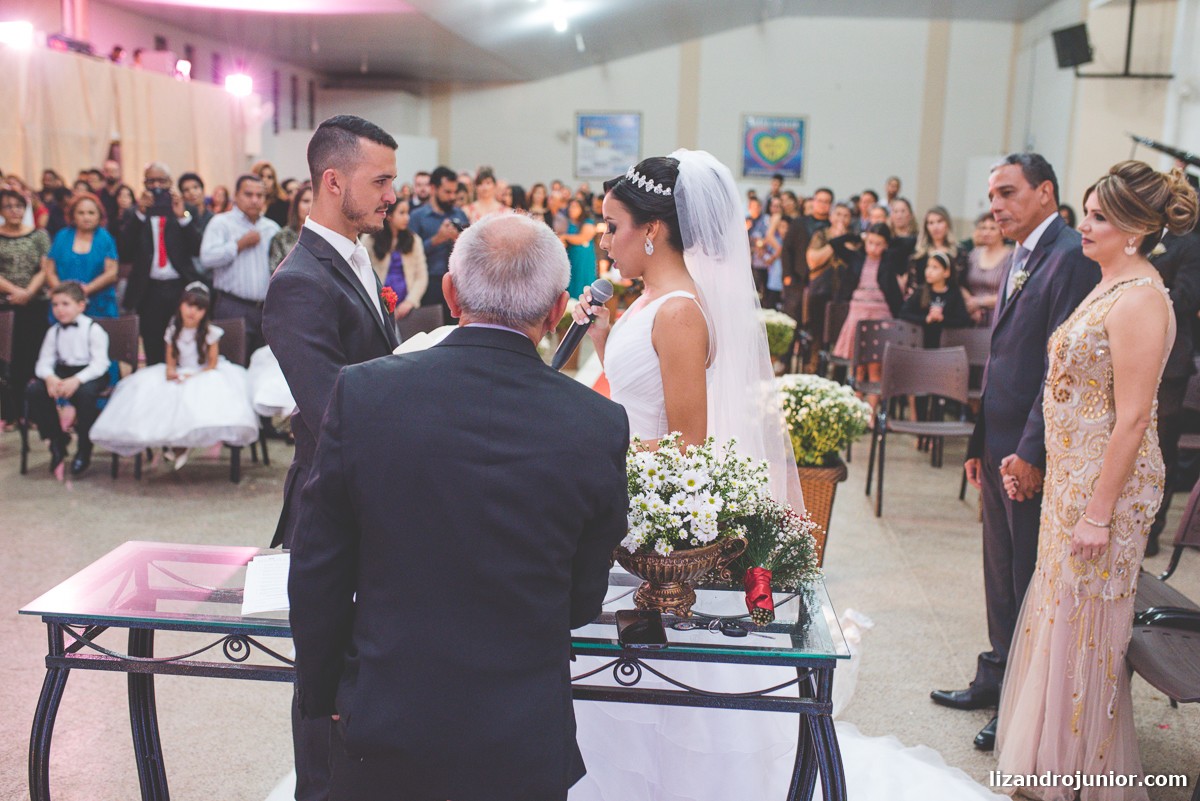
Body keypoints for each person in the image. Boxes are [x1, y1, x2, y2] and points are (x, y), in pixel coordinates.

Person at [289, 212, 627, 801]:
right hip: (521, 731)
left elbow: (318, 567)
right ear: (554, 313)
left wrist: (325, 698)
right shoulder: (596, 422)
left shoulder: (365, 392)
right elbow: (580, 599)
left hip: (386, 713)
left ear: (449, 294)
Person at [996, 161, 1198, 800]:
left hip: (1106, 490)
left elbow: (1135, 417)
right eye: (1086, 212)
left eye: (1100, 216)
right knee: (1060, 613)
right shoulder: (1110, 283)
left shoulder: (1141, 297)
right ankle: (1047, 761)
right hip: (1071, 481)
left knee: (1086, 624)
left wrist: (1098, 513)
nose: (1084, 225)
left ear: (1137, 229)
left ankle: (1078, 769)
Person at [933, 153, 1101, 752]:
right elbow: (1002, 357)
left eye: (1007, 193)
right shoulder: (1019, 255)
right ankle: (997, 674)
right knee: (999, 570)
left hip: (1033, 449)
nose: (995, 205)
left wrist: (1030, 452)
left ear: (1045, 192)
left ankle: (1021, 702)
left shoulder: (1071, 257)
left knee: (1028, 572)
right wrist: (980, 443)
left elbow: (1059, 370)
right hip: (999, 440)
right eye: (992, 195)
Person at [261, 115, 400, 801]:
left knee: (362, 675)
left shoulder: (355, 256)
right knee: (323, 686)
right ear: (333, 180)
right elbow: (329, 410)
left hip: (372, 505)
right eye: (381, 181)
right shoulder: (300, 281)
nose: (391, 195)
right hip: (331, 509)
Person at [90, 282, 258, 470]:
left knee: (194, 396)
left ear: (205, 312)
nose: (192, 312)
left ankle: (183, 444)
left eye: (199, 308)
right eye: (189, 305)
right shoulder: (172, 331)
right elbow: (170, 363)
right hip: (181, 371)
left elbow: (212, 364)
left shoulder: (210, 333)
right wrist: (172, 373)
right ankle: (174, 442)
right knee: (158, 395)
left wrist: (193, 377)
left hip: (204, 373)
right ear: (180, 305)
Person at [1146, 211, 1200, 555]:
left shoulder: (1189, 244)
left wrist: (1140, 289)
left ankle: (1150, 531)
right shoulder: (1141, 234)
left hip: (1171, 361)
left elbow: (1186, 298)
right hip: (1132, 351)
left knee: (1158, 450)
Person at [24, 281, 110, 476]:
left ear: (81, 305)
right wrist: (50, 378)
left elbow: (100, 364)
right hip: (62, 371)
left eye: (65, 304)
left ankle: (84, 448)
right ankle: (56, 439)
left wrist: (77, 380)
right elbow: (43, 362)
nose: (59, 310)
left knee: (85, 394)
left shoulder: (94, 329)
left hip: (90, 373)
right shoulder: (53, 331)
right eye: (55, 305)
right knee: (35, 390)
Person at [121, 162, 202, 366]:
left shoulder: (186, 209)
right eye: (151, 181)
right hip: (149, 289)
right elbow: (124, 250)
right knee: (153, 346)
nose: (156, 185)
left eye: (162, 181)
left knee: (183, 343)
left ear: (170, 183)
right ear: (144, 183)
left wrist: (182, 216)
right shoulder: (134, 213)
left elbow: (198, 248)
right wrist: (140, 213)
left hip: (179, 287)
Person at [200, 174, 281, 354]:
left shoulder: (271, 228)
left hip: (265, 309)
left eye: (259, 196)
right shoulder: (221, 223)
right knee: (232, 366)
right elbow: (207, 258)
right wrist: (238, 245)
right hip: (232, 306)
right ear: (236, 196)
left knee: (261, 367)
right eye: (248, 194)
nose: (254, 200)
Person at [0, 188, 51, 428]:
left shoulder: (39, 235)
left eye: (19, 206)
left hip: (35, 303)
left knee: (34, 357)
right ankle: (13, 413)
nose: (14, 211)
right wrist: (15, 291)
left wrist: (29, 291)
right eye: (9, 206)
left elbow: (45, 268)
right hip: (6, 305)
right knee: (10, 362)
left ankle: (36, 414)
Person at [833, 223, 894, 404]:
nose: (874, 248)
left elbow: (907, 244)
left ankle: (871, 411)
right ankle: (857, 405)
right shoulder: (856, 258)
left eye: (879, 244)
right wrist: (857, 236)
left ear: (886, 245)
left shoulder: (889, 262)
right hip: (858, 313)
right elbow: (835, 243)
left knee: (875, 367)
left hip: (879, 313)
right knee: (857, 365)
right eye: (871, 242)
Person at [43, 193, 119, 320]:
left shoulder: (105, 238)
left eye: (91, 213)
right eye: (81, 213)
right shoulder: (62, 236)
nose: (86, 217)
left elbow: (111, 273)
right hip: (64, 306)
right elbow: (50, 270)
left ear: (99, 215)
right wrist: (65, 294)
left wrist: (85, 290)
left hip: (99, 305)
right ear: (73, 216)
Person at [409, 165, 469, 319]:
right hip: (428, 284)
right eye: (447, 192)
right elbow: (409, 254)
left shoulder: (460, 214)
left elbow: (471, 248)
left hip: (457, 283)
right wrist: (437, 240)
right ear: (434, 188)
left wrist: (459, 240)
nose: (452, 197)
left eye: (454, 192)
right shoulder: (417, 216)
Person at [366, 198, 429, 321]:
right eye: (402, 213)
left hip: (407, 307)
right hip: (378, 304)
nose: (407, 218)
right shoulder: (371, 239)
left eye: (407, 213)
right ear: (389, 216)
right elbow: (365, 273)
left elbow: (421, 276)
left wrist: (410, 302)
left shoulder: (414, 240)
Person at [898, 251, 971, 347]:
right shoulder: (920, 291)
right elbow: (903, 313)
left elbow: (964, 320)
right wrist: (926, 319)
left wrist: (942, 319)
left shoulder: (954, 293)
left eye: (935, 267)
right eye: (928, 266)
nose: (929, 271)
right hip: (922, 345)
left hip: (947, 346)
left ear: (946, 272)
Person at [961, 213, 1011, 327]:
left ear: (1002, 231)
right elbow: (961, 283)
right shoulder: (974, 254)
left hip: (998, 316)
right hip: (973, 316)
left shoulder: (1011, 256)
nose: (986, 232)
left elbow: (1012, 292)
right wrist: (971, 303)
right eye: (983, 228)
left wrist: (980, 302)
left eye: (992, 228)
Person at [268, 181, 312, 272]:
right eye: (305, 201)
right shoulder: (282, 236)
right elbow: (274, 270)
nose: (310, 206)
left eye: (315, 201)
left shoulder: (326, 236)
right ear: (296, 205)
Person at [562, 197, 597, 298]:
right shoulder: (567, 223)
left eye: (575, 207)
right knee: (572, 279)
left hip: (584, 259)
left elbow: (582, 238)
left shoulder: (588, 222)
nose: (572, 209)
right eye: (571, 207)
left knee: (582, 280)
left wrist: (565, 236)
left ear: (582, 209)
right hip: (571, 257)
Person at [252, 160, 291, 227]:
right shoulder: (249, 202)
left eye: (269, 177)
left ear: (274, 181)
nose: (265, 180)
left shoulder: (283, 204)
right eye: (261, 176)